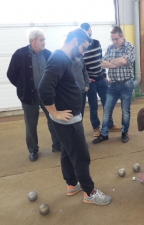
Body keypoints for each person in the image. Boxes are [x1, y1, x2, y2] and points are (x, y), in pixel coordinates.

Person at [38, 28, 111, 205]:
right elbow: (44, 88)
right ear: (75, 42)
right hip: (67, 120)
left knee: (67, 151)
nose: (84, 52)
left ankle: (72, 184)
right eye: (83, 47)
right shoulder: (58, 58)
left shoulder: (64, 58)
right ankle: (89, 192)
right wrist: (54, 112)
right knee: (81, 155)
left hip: (68, 118)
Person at [7, 29, 61, 162]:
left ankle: (57, 145)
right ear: (32, 41)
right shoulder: (20, 54)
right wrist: (23, 87)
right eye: (41, 40)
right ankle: (33, 150)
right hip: (29, 96)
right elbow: (11, 75)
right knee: (31, 124)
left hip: (47, 95)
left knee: (53, 119)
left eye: (44, 39)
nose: (44, 42)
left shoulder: (48, 54)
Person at [92, 26, 135, 144]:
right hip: (113, 85)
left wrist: (112, 62)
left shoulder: (129, 47)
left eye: (116, 39)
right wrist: (116, 62)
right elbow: (103, 63)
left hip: (126, 84)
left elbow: (124, 61)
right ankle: (104, 134)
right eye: (112, 39)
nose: (114, 42)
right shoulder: (110, 48)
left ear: (122, 37)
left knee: (125, 110)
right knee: (107, 109)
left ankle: (124, 132)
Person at [80, 23, 120, 137]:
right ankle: (96, 127)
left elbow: (100, 60)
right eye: (84, 32)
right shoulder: (81, 46)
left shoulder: (96, 43)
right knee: (93, 105)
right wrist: (87, 79)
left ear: (90, 31)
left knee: (107, 103)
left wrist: (104, 75)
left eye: (88, 31)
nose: (87, 34)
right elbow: (81, 66)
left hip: (101, 79)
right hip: (91, 82)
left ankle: (110, 124)